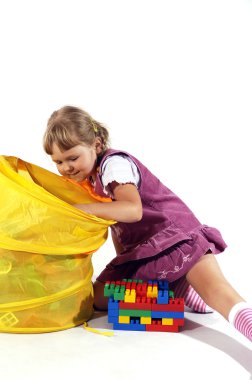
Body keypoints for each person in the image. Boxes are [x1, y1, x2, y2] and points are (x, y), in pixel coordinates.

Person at [43, 105, 252, 343]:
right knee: (94, 298)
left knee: (222, 295)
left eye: (72, 157)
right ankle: (176, 296)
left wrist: (82, 209)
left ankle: (189, 289)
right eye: (57, 161)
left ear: (96, 145)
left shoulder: (115, 165)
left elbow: (132, 210)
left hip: (177, 239)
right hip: (147, 251)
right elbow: (117, 223)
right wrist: (124, 265)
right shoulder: (90, 180)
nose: (66, 168)